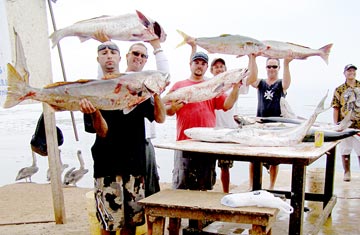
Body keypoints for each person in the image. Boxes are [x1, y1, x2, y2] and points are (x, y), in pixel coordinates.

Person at [79, 41, 166, 235]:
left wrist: (157, 94)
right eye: (103, 53)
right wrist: (94, 112)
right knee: (108, 225)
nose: (108, 56)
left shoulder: (136, 88)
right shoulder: (91, 90)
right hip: (106, 166)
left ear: (120, 58)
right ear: (98, 60)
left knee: (131, 224)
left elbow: (159, 118)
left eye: (112, 52)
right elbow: (102, 132)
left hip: (135, 165)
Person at [164, 51, 244, 233]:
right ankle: (173, 229)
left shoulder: (212, 86)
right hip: (184, 144)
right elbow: (166, 110)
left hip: (206, 145)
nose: (199, 65)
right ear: (190, 64)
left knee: (202, 190)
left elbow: (227, 105)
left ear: (206, 67)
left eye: (202, 63)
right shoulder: (179, 85)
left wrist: (236, 87)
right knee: (179, 189)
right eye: (196, 62)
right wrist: (173, 107)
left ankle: (195, 228)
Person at [248, 55, 293, 190]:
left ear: (278, 68)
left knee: (274, 160)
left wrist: (286, 63)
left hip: (277, 125)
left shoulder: (280, 84)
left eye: (274, 66)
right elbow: (251, 79)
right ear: (265, 68)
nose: (271, 69)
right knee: (253, 158)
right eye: (269, 66)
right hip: (260, 124)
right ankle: (252, 185)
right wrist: (252, 58)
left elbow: (287, 84)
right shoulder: (260, 83)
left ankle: (272, 186)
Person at [332, 64, 360, 182]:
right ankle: (347, 172)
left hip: (359, 125)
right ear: (344, 73)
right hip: (345, 125)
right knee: (345, 149)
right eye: (349, 71)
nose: (351, 72)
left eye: (353, 70)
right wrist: (336, 125)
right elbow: (336, 107)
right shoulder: (339, 90)